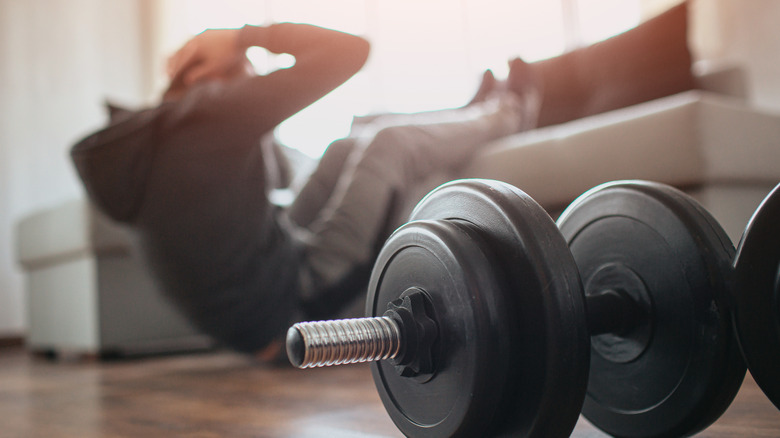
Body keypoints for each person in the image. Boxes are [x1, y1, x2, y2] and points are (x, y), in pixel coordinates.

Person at [70, 22, 540, 359]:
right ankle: (510, 113)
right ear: (205, 79)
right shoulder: (209, 117)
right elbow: (351, 51)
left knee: (341, 147)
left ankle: (469, 113)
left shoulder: (147, 141)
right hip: (291, 315)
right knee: (388, 145)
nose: (255, 82)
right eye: (247, 73)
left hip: (254, 305)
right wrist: (240, 37)